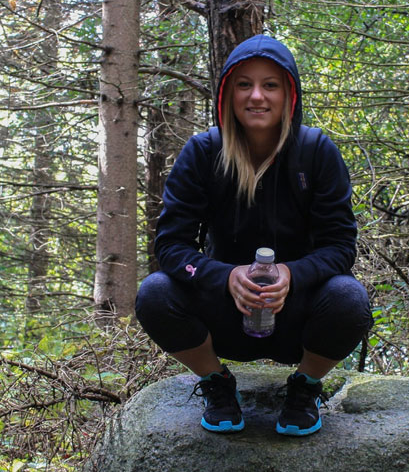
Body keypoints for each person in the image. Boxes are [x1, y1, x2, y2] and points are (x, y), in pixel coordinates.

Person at [135, 35, 372, 437]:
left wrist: (291, 276)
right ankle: (216, 383)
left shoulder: (316, 152)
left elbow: (340, 246)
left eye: (270, 85)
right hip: (224, 314)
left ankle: (305, 388)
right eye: (244, 84)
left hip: (297, 318)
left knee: (350, 299)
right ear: (227, 94)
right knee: (154, 293)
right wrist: (224, 277)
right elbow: (171, 245)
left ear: (289, 94)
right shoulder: (203, 153)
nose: (257, 96)